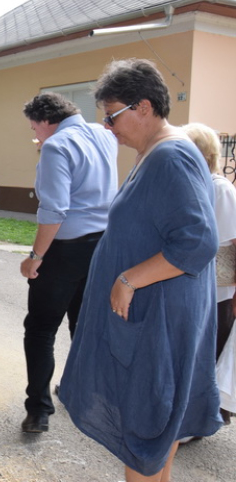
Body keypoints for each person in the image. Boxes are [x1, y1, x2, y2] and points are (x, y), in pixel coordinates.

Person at [59, 59, 221, 482]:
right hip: (154, 319)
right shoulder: (156, 153)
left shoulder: (171, 157)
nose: (108, 127)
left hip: (158, 323)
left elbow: (197, 241)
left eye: (112, 116)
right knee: (153, 438)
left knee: (144, 429)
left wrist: (129, 279)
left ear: (143, 107)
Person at [18, 92, 118, 434]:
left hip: (65, 249)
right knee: (84, 326)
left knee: (41, 330)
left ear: (45, 120)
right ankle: (86, 394)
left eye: (35, 127)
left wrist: (35, 257)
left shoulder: (56, 146)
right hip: (103, 244)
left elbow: (54, 210)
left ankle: (39, 409)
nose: (35, 134)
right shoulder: (104, 134)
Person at [182, 122, 236, 426]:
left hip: (217, 292)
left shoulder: (220, 189)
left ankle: (202, 419)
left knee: (208, 357)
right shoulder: (194, 184)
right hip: (193, 287)